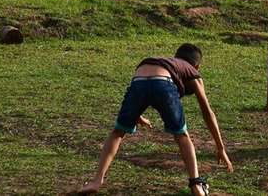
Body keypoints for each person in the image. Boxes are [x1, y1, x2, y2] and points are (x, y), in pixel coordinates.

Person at [79, 43, 233, 195]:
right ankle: (196, 185)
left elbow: (141, 86)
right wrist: (220, 147)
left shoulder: (165, 62)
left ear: (176, 57)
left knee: (117, 132)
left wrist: (136, 114)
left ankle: (97, 181)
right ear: (197, 66)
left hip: (139, 79)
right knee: (182, 136)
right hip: (163, 84)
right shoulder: (193, 72)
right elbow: (207, 111)